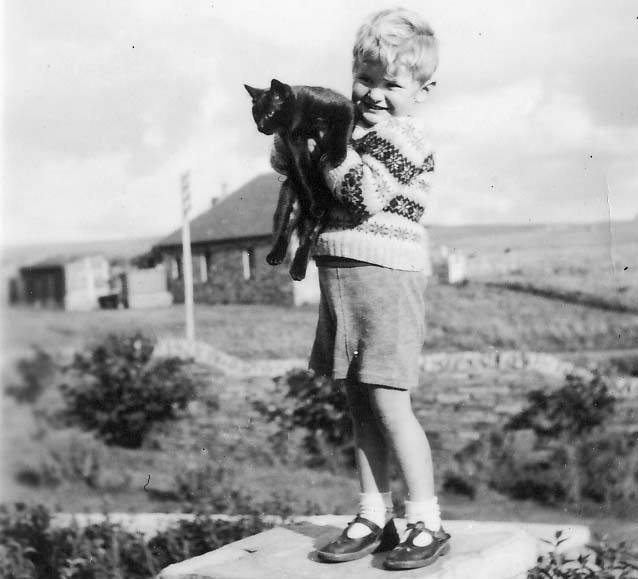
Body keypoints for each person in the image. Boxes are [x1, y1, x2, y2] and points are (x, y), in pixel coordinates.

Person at [271, 7, 450, 571]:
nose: (374, 94)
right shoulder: (350, 130)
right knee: (358, 401)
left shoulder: (405, 138)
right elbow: (291, 169)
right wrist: (293, 131)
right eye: (365, 79)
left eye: (391, 85)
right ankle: (375, 515)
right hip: (341, 275)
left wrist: (326, 140)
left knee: (390, 401)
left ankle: (426, 520)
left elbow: (362, 193)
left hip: (385, 277)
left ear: (421, 91)